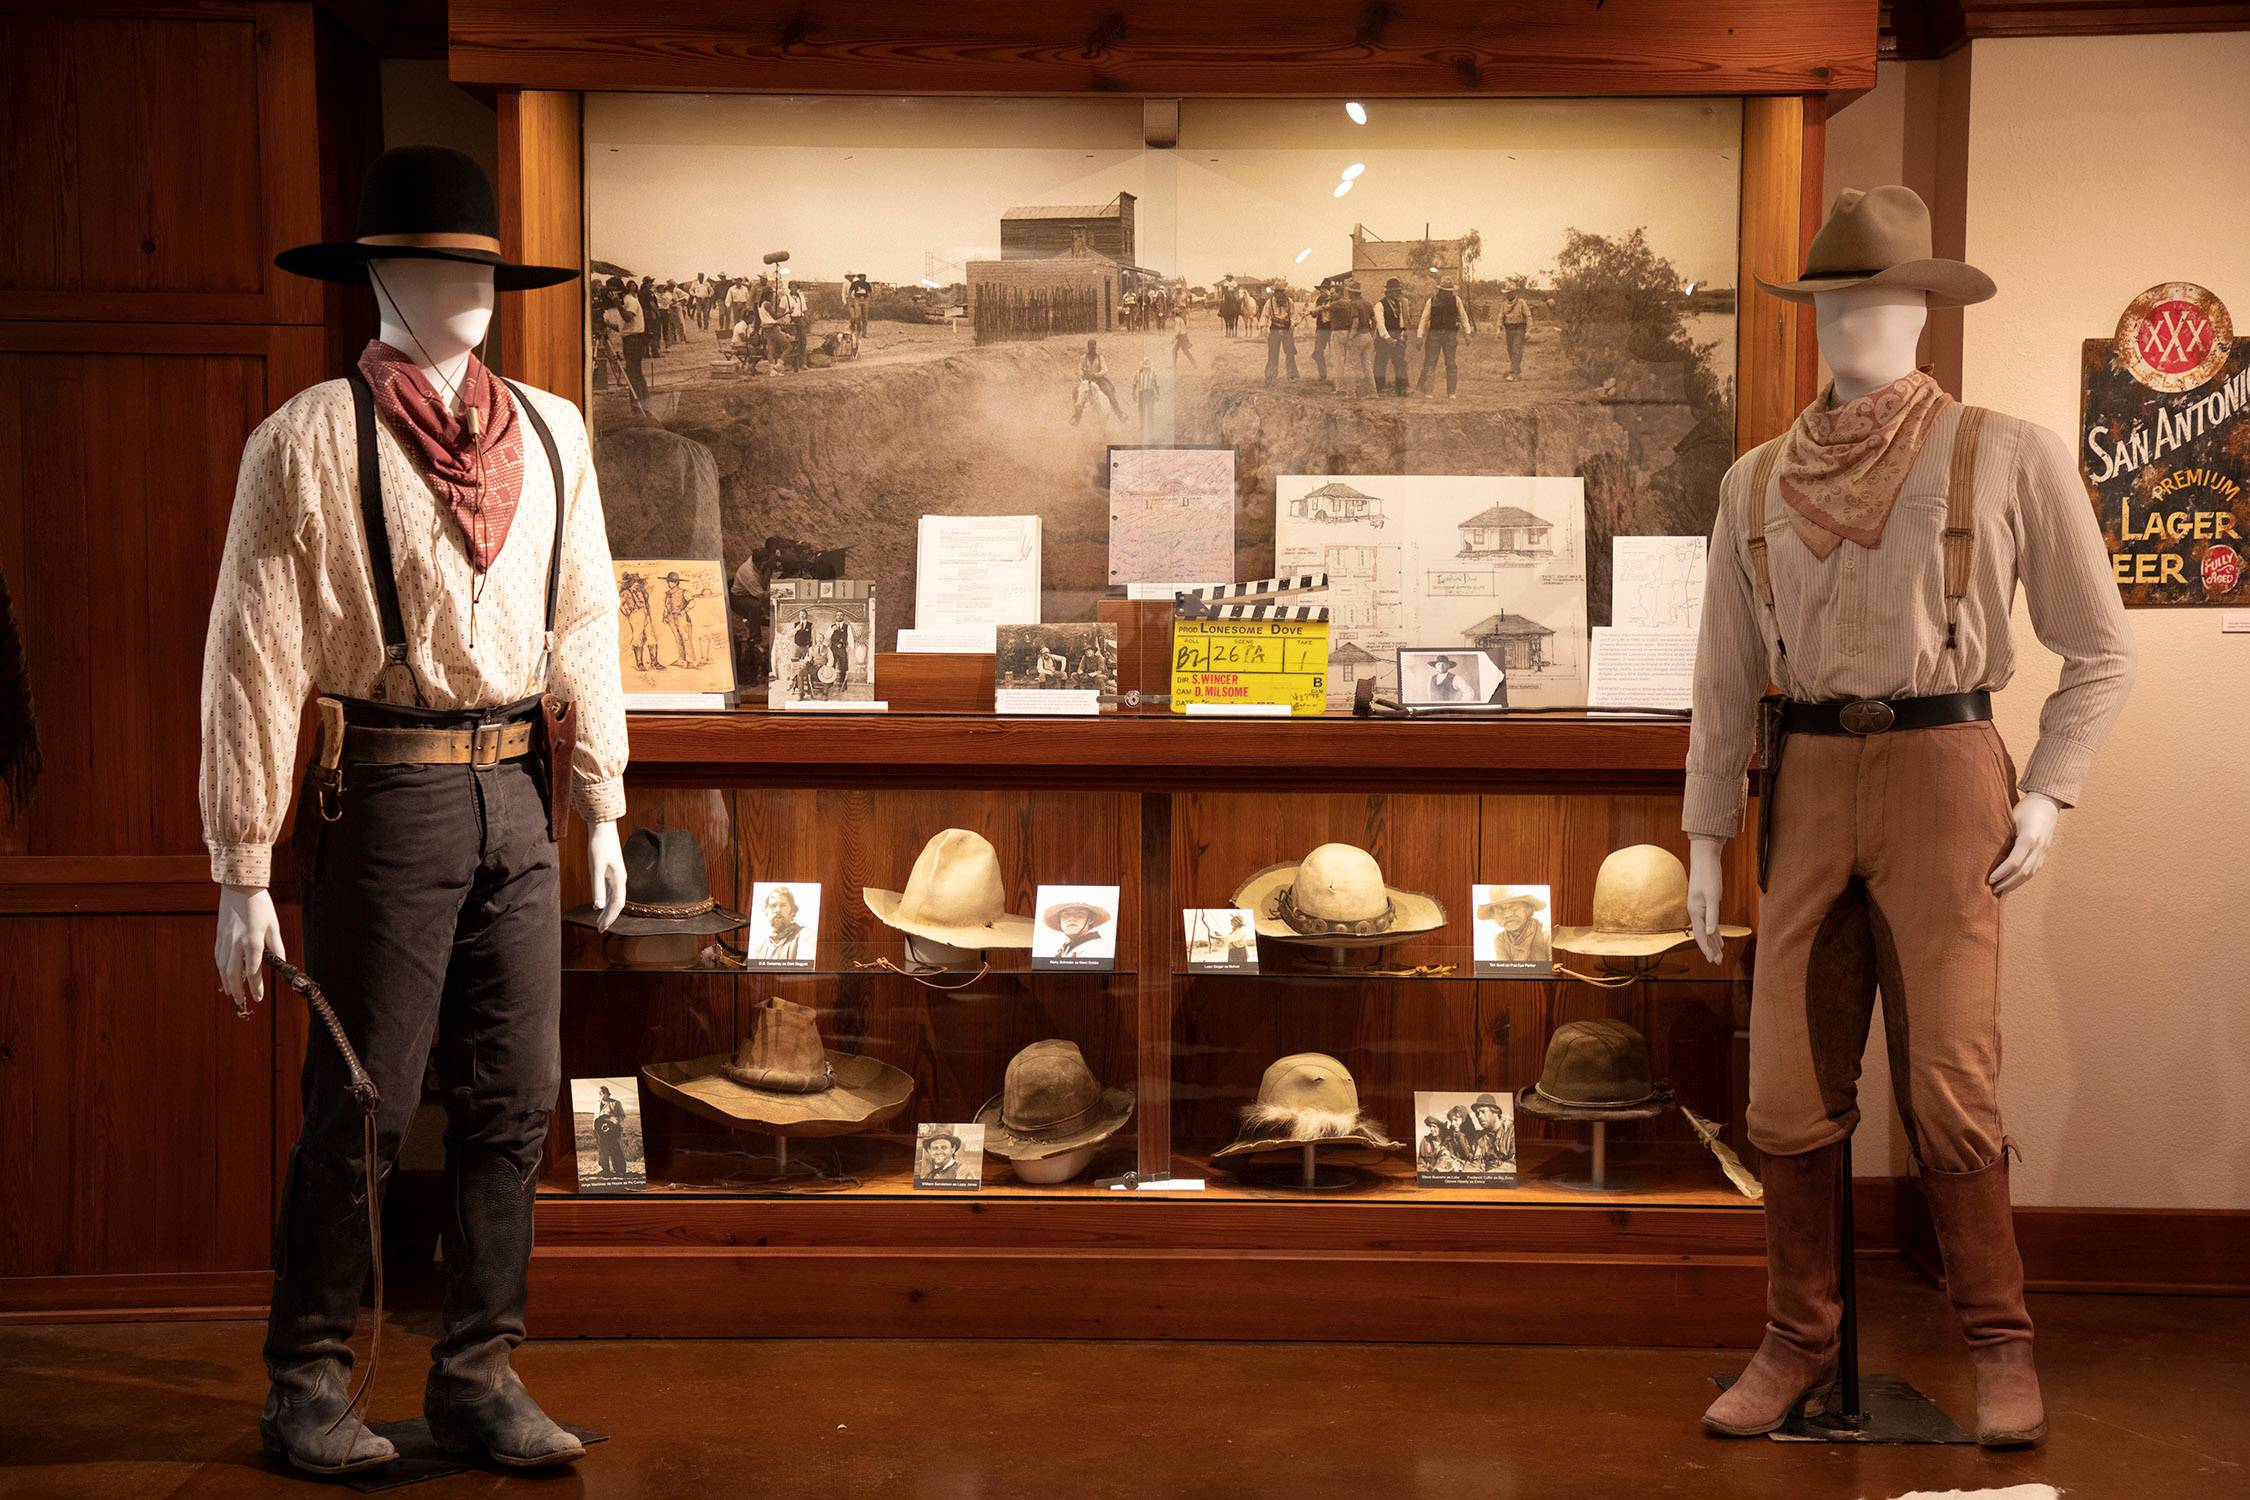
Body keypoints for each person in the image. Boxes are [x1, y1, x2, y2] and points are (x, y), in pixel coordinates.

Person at [1416, 276, 1476, 397]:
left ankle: (1451, 393)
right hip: (1434, 335)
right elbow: (1424, 319)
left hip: (1450, 335)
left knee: (1451, 363)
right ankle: (1428, 391)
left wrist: (1467, 333)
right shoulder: (1431, 301)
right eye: (1445, 291)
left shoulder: (1456, 300)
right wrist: (1419, 336)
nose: (1448, 294)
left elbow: (1464, 317)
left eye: (1450, 292)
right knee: (1430, 362)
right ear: (1440, 290)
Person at [1483, 892, 1550, 964]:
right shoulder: (1501, 940)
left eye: (1514, 908)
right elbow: (1503, 972)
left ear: (1527, 909)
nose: (1507, 914)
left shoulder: (1547, 935)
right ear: (1494, 916)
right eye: (1500, 910)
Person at [615, 280, 651, 410]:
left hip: (634, 341)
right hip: (632, 340)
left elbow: (628, 317)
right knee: (637, 373)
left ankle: (638, 407)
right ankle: (644, 403)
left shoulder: (629, 301)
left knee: (632, 374)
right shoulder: (628, 301)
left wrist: (617, 304)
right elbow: (627, 326)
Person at [1072, 340, 1126, 424]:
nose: (1092, 348)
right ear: (1088, 347)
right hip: (1087, 380)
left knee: (1109, 393)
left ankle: (1120, 414)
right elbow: (1079, 369)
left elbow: (1105, 370)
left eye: (1093, 346)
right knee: (1076, 392)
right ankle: (1077, 417)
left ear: (1095, 347)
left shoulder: (1100, 358)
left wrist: (1096, 374)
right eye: (1090, 346)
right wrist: (1082, 375)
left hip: (1099, 380)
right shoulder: (1083, 358)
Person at [1372, 277, 1410, 396]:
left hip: (1397, 336)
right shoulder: (1379, 305)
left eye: (1399, 291)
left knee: (1400, 362)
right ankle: (1378, 388)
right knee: (1381, 362)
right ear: (1389, 292)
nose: (1399, 294)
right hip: (1384, 339)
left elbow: (1401, 320)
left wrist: (1402, 333)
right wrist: (1387, 338)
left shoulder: (1398, 303)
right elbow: (1380, 323)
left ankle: (1401, 388)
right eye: (1396, 291)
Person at [1336, 280, 1374, 396]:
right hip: (1368, 335)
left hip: (1358, 336)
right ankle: (1373, 392)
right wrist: (1373, 334)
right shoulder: (1367, 303)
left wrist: (1350, 338)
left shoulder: (1353, 304)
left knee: (1349, 365)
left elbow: (1355, 322)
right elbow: (1375, 320)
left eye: (1349, 292)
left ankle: (1351, 393)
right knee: (1367, 365)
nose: (1348, 294)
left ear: (1352, 293)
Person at [617, 570, 660, 671]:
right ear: (629, 583)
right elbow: (620, 604)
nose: (637, 584)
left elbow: (646, 604)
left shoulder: (643, 592)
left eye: (638, 582)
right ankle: (640, 664)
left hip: (646, 615)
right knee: (638, 638)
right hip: (635, 616)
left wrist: (648, 614)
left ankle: (655, 662)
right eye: (634, 582)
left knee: (651, 637)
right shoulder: (625, 593)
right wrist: (628, 612)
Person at [1259, 280, 1299, 387]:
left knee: (1290, 352)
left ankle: (1292, 375)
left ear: (1284, 292)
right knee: (1273, 354)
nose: (1279, 294)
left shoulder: (1289, 301)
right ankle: (1270, 377)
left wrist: (1293, 323)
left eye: (1281, 291)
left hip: (1287, 330)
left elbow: (1294, 315)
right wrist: (1264, 326)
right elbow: (1264, 315)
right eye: (1277, 291)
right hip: (1275, 329)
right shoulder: (1270, 302)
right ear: (1274, 292)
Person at [755, 886, 806, 961]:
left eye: (783, 905)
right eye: (773, 905)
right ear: (766, 912)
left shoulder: (805, 935)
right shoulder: (760, 947)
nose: (777, 910)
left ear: (792, 911)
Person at [661, 570, 696, 668]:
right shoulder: (667, 594)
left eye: (673, 581)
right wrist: (664, 616)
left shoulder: (684, 592)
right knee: (677, 638)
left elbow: (692, 602)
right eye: (669, 581)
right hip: (671, 618)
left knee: (686, 638)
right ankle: (681, 659)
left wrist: (684, 611)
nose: (670, 583)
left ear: (677, 582)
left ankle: (691, 661)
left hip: (682, 618)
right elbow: (666, 606)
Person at [1309, 277, 1340, 384]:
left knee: (1335, 353)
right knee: (1318, 352)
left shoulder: (1335, 299)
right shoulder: (1319, 300)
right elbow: (1313, 314)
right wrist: (1318, 309)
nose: (1323, 291)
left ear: (1329, 290)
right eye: (1321, 289)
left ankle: (1337, 377)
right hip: (1321, 329)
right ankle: (1323, 375)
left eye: (1325, 289)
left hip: (1332, 329)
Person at [592, 1086, 628, 1177]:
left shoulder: (615, 1103)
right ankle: (605, 1170)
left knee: (616, 1150)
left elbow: (622, 1116)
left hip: (613, 1132)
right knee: (602, 1151)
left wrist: (614, 1119)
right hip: (599, 1132)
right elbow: (595, 1118)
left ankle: (620, 1171)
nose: (600, 1095)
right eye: (599, 1093)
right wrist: (594, 1129)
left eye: (602, 1092)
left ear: (607, 1092)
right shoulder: (596, 1104)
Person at [1500, 286, 1533, 379]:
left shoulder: (1521, 303)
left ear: (1514, 293)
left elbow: (1528, 316)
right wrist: (1498, 328)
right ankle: (1516, 371)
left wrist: (1528, 331)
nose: (1508, 294)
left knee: (1516, 350)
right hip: (1509, 329)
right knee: (1510, 350)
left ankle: (1512, 372)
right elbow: (1501, 316)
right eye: (1506, 293)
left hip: (1519, 329)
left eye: (1510, 292)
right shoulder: (1504, 304)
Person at [1134, 357, 1160, 440]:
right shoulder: (1138, 373)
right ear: (1142, 366)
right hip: (1141, 393)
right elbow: (1134, 384)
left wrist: (1158, 394)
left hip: (1150, 393)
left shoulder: (1153, 373)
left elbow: (1156, 384)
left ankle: (1150, 432)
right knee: (1141, 412)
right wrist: (1133, 393)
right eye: (1144, 367)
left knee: (1150, 412)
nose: (1146, 368)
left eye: (1147, 367)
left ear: (1149, 367)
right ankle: (1141, 429)